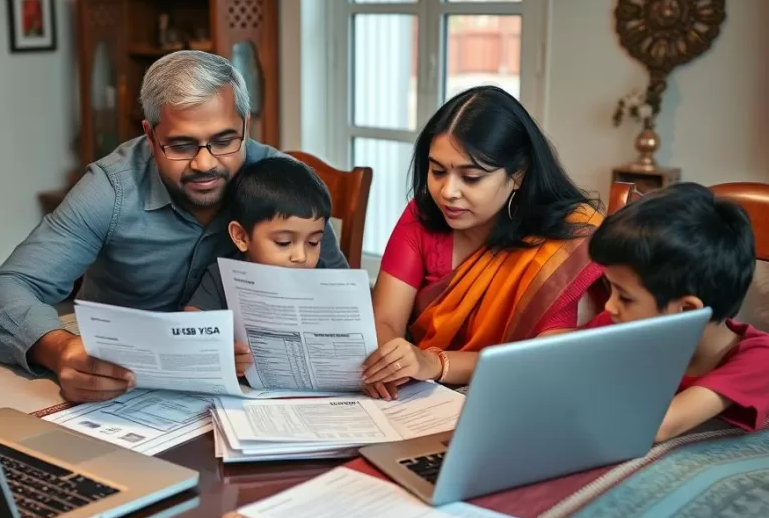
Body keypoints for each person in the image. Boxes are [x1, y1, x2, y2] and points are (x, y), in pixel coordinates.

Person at [0, 51, 347, 403]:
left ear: (245, 126)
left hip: (248, 393)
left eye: (223, 140)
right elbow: (4, 289)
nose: (204, 164)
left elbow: (341, 300)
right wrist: (60, 350)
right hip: (122, 390)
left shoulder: (284, 184)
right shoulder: (111, 189)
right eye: (182, 145)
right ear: (150, 136)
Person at [361, 86, 604, 399]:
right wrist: (388, 362)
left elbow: (544, 360)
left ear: (518, 173)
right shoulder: (421, 216)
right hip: (421, 398)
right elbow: (386, 319)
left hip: (519, 398)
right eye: (437, 171)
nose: (448, 191)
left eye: (471, 177)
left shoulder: (565, 245)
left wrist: (435, 363)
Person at [584, 182, 769, 442]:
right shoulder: (618, 323)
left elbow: (657, 426)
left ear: (685, 310)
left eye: (624, 297)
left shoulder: (760, 360)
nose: (609, 306)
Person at [185, 156, 332, 375]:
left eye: (313, 242)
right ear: (241, 237)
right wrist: (219, 353)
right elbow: (190, 330)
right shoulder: (222, 277)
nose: (301, 256)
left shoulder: (321, 276)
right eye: (283, 242)